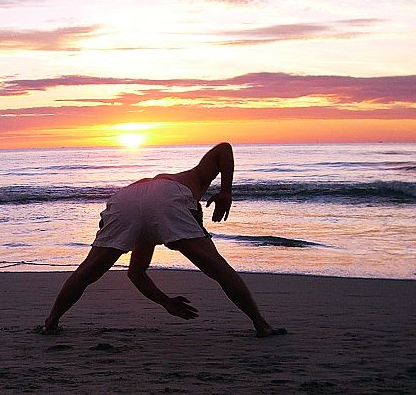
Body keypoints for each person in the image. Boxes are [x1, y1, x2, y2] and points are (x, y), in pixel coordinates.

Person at [39, 142, 286, 338]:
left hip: (123, 200)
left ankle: (50, 324)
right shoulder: (192, 179)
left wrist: (165, 302)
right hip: (167, 195)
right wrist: (226, 192)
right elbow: (224, 148)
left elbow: (136, 274)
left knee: (87, 271)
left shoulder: (147, 222)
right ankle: (261, 325)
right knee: (218, 268)